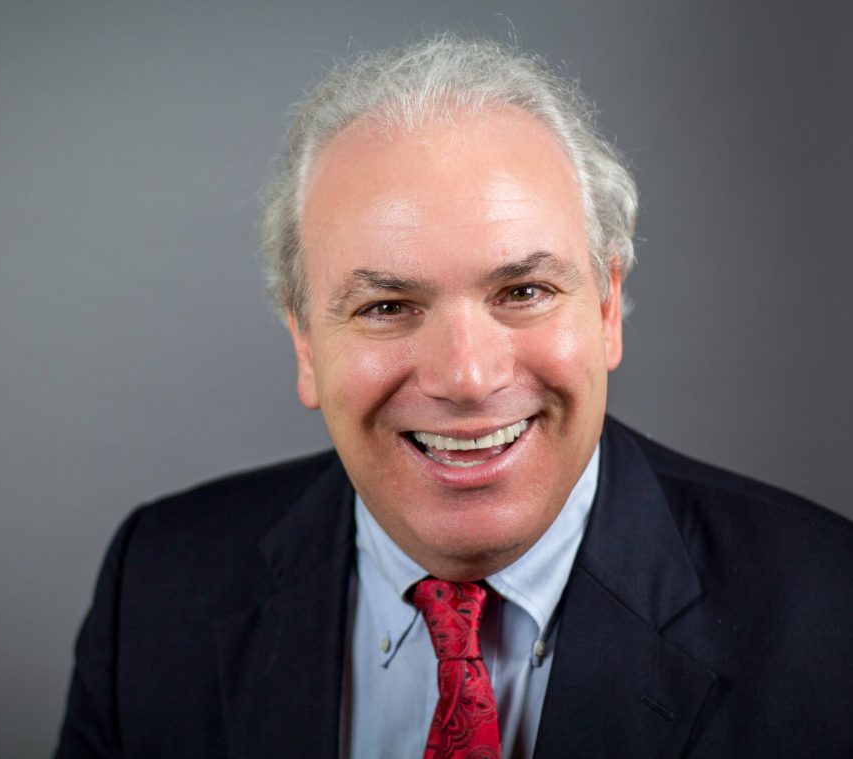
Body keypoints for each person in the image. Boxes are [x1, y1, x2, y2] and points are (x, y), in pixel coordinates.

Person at [55, 35, 853, 758]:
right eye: (387, 307)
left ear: (607, 309)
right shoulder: (157, 591)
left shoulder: (828, 616)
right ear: (304, 341)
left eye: (524, 290)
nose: (468, 377)